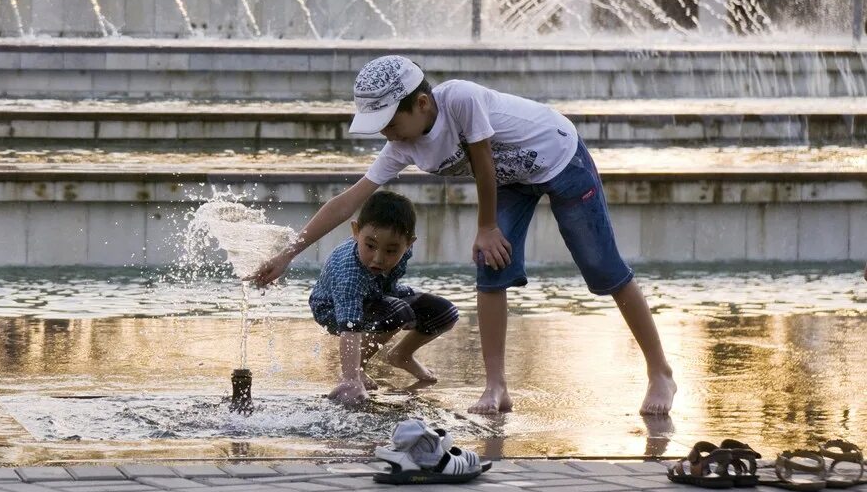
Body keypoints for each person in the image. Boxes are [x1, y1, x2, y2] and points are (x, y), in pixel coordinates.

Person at [253, 55, 676, 416]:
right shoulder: (403, 145)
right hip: (510, 183)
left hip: (560, 160)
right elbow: (348, 201)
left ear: (421, 103)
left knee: (603, 268)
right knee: (490, 268)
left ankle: (660, 372)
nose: (386, 134)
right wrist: (288, 254)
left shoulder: (460, 99)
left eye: (388, 122)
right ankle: (496, 386)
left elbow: (483, 162)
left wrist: (487, 227)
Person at [308, 190, 459, 407]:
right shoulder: (349, 272)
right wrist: (351, 378)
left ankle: (401, 355)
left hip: (378, 293)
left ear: (409, 243)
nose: (378, 258)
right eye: (370, 246)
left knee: (445, 312)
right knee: (398, 312)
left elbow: (391, 286)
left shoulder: (403, 250)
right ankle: (356, 371)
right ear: (356, 231)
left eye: (391, 250)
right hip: (331, 308)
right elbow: (350, 328)